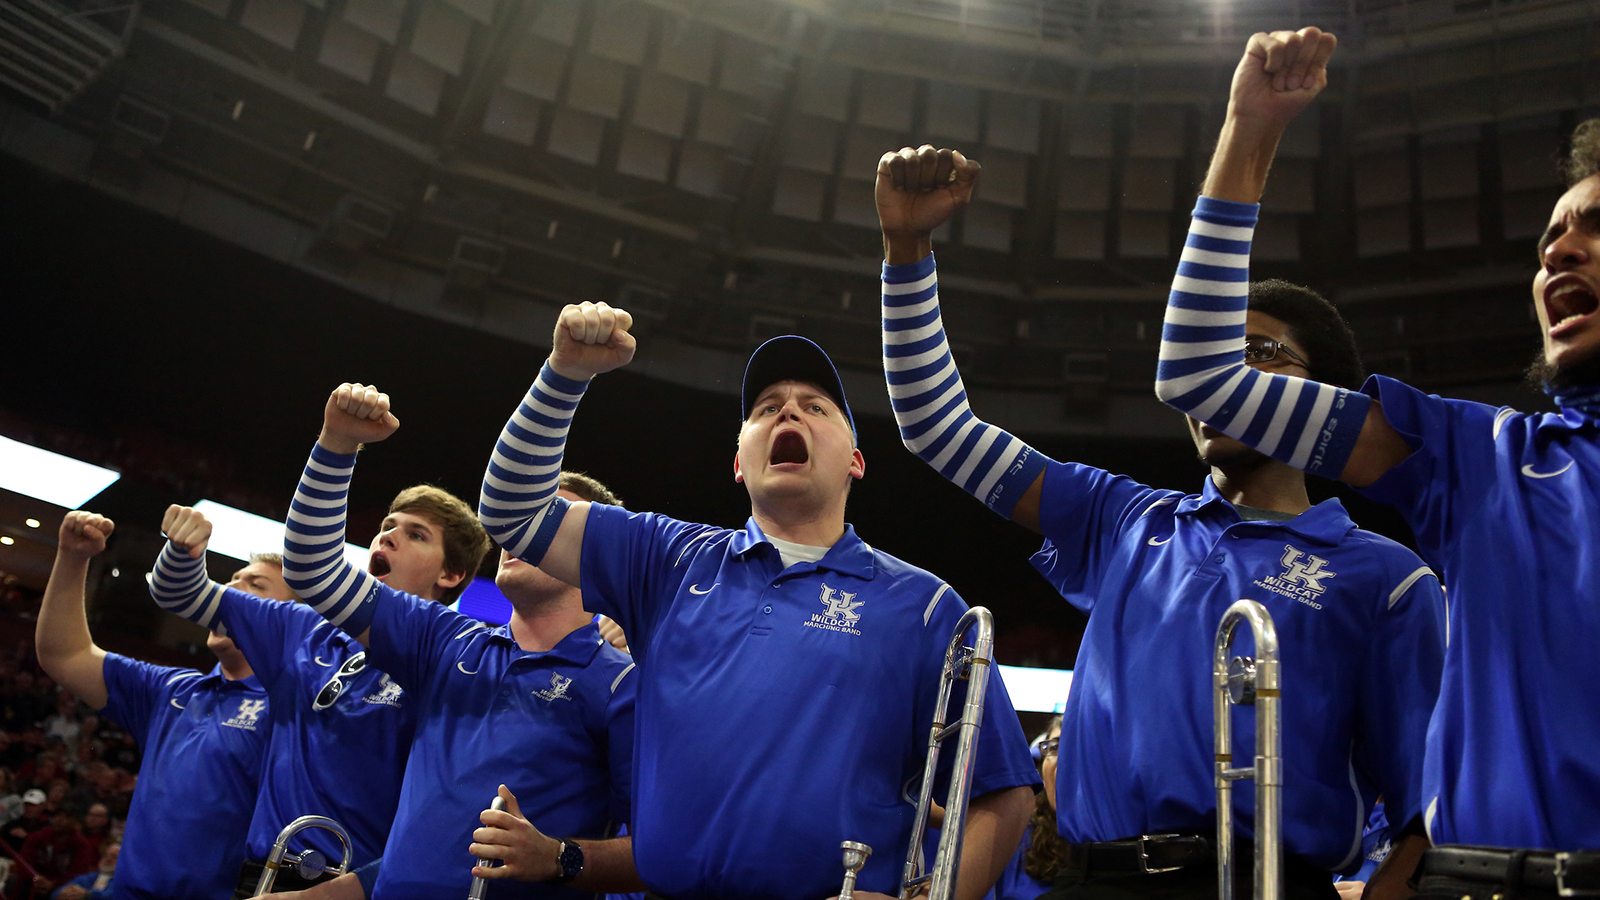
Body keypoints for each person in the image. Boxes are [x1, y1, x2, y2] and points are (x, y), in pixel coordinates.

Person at [875, 134, 1443, 900]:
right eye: (1211, 359)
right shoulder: (1124, 519)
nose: (1221, 380)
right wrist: (907, 249)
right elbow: (934, 427)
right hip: (1086, 881)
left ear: (1322, 404)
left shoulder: (1389, 580)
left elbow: (1426, 810)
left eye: (1260, 353)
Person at [1154, 22, 1600, 898]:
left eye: (1595, 226)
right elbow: (1199, 372)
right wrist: (1251, 132)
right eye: (1549, 236)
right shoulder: (1483, 458)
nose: (1556, 251)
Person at [471, 304, 1041, 900]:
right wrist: (564, 374)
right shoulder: (667, 558)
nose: (788, 409)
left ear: (855, 461)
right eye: (766, 408)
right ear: (740, 463)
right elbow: (512, 510)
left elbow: (1004, 793)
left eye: (816, 407)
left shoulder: (925, 607)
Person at [251, 409, 641, 900]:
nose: (524, 532)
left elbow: (666, 852)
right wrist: (337, 444)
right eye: (523, 516)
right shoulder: (446, 640)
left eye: (553, 520)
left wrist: (561, 857)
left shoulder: (621, 685)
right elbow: (312, 568)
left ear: (596, 558)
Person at [152, 478, 492, 897]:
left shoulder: (456, 661)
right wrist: (182, 553)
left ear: (451, 574)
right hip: (260, 878)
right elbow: (177, 591)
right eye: (388, 524)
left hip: (360, 889)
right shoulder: (302, 628)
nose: (389, 535)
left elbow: (447, 823)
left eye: (415, 534)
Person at [35, 510, 271, 900]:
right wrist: (73, 557)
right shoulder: (173, 689)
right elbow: (66, 654)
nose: (228, 594)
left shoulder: (301, 709)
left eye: (256, 586)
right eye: (230, 581)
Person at [18, 810, 96, 894]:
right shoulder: (41, 836)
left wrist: (54, 884)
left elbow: (78, 873)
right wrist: (35, 878)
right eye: (58, 816)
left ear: (75, 822)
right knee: (15, 881)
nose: (60, 820)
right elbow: (24, 861)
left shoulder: (81, 844)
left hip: (62, 886)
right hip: (32, 880)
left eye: (66, 817)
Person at [52, 841, 118, 900]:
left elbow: (114, 896)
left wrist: (87, 895)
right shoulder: (89, 877)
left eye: (114, 857)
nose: (108, 859)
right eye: (105, 855)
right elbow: (57, 893)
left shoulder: (123, 881)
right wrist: (65, 893)